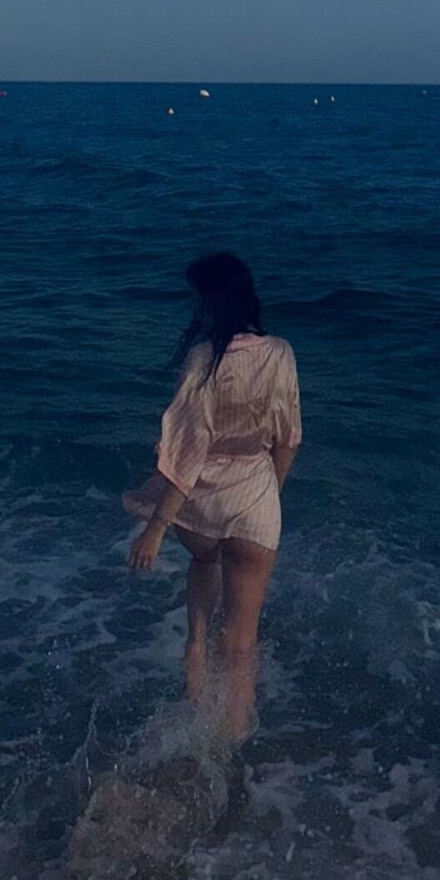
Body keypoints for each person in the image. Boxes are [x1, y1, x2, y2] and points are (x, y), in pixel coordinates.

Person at [123, 252, 302, 740]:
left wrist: (156, 528)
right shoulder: (281, 352)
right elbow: (288, 439)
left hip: (201, 506)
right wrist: (266, 495)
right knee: (241, 642)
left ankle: (196, 645)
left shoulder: (203, 358)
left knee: (205, 559)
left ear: (210, 302)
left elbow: (186, 453)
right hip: (255, 503)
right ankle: (232, 740)